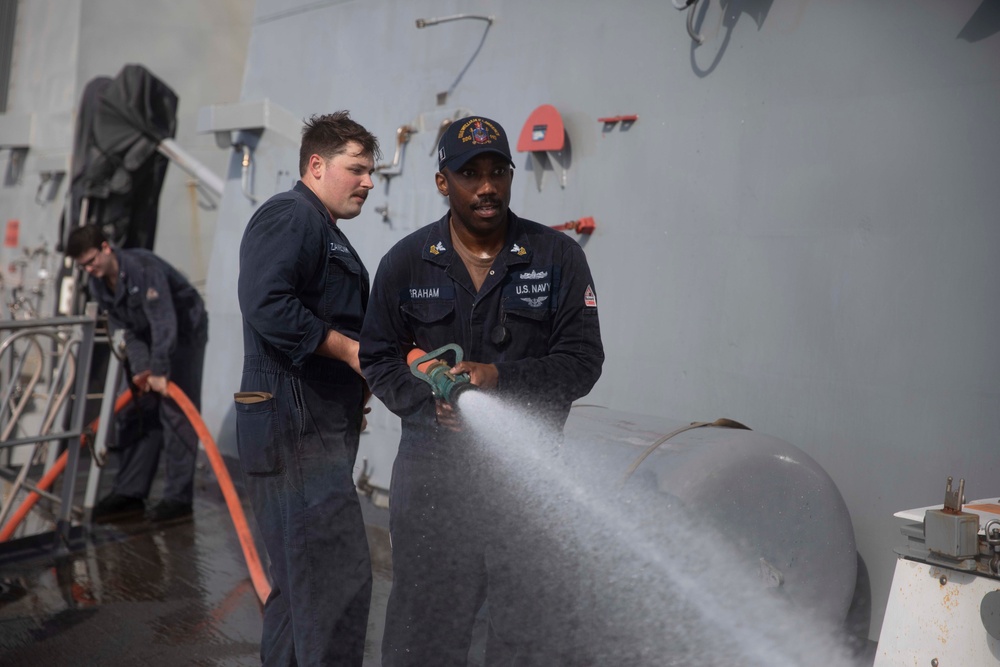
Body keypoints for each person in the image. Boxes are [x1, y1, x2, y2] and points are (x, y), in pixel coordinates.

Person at [359, 115, 605, 665]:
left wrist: (500, 380)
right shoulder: (405, 262)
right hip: (432, 476)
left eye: (498, 171)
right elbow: (377, 356)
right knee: (425, 628)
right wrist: (433, 402)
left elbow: (583, 361)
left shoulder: (557, 258)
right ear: (444, 181)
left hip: (527, 475)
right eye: (470, 174)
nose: (487, 186)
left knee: (525, 632)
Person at [235, 111, 380, 666]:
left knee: (302, 592)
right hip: (294, 424)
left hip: (308, 421)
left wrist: (351, 386)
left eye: (371, 171)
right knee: (334, 580)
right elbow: (267, 302)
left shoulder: (320, 228)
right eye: (357, 168)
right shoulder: (291, 215)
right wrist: (348, 352)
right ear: (316, 166)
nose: (368, 181)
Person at [66, 224, 208, 523]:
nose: (90, 269)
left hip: (183, 333)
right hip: (146, 335)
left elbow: (164, 323)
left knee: (175, 412)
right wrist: (143, 370)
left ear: (106, 248)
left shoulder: (143, 268)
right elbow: (124, 329)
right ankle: (130, 492)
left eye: (92, 261)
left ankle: (178, 499)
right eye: (83, 266)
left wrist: (158, 370)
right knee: (138, 408)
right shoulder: (99, 282)